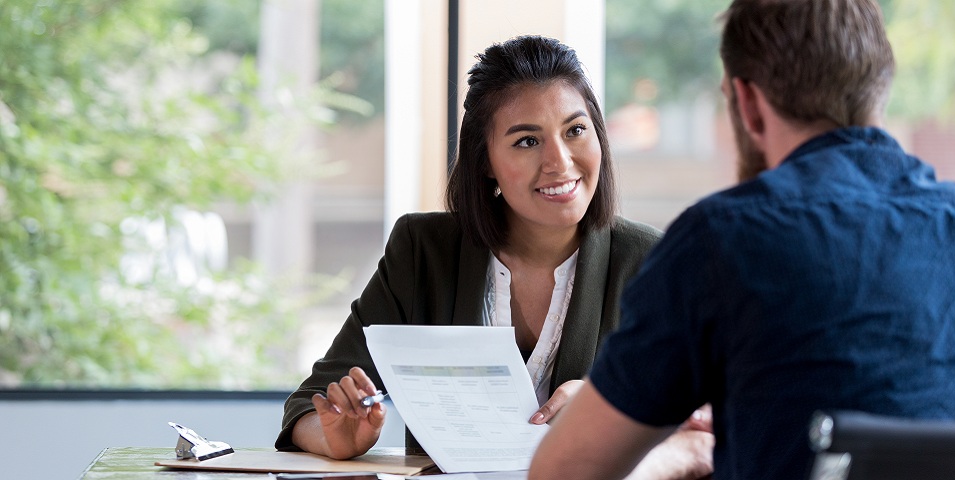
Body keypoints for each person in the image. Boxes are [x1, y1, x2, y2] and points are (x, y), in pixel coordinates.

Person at [529, 1, 955, 480]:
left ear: (748, 104)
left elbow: (563, 472)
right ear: (881, 85)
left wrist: (685, 451)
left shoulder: (721, 241)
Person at [275, 35, 674, 463]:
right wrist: (336, 437)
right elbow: (310, 404)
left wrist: (609, 408)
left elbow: (703, 419)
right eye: (527, 141)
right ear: (484, 161)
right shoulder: (423, 252)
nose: (560, 161)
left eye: (575, 130)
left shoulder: (650, 261)